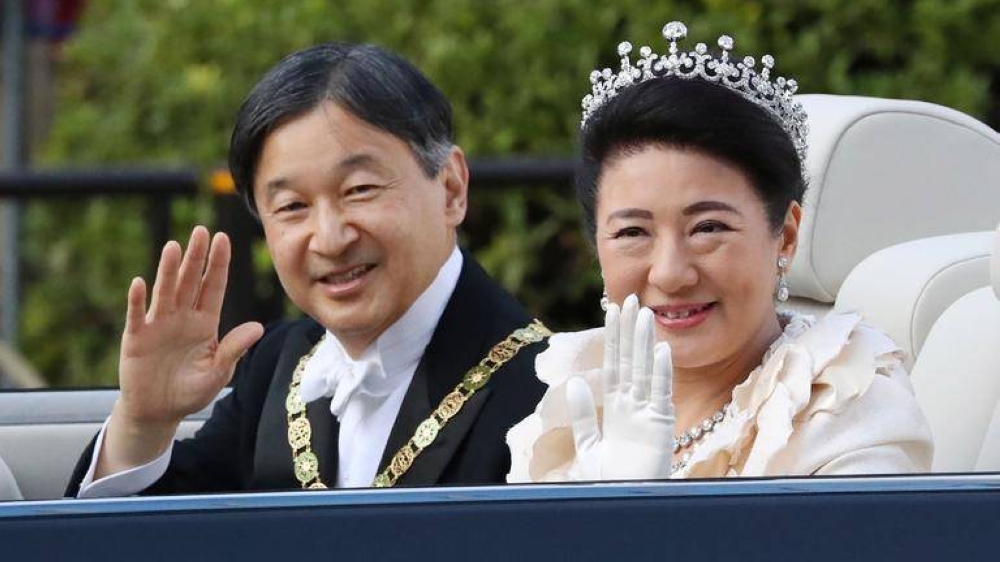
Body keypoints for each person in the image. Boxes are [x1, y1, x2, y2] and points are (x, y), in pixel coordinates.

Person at [66, 42, 550, 496]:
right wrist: (142, 423)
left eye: (359, 190)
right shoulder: (278, 365)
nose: (330, 238)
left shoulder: (548, 388)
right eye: (293, 206)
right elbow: (145, 538)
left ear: (450, 188)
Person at [506, 22, 933, 482]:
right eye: (632, 232)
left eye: (708, 228)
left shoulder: (851, 412)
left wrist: (635, 509)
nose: (670, 274)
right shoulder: (574, 401)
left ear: (785, 236)